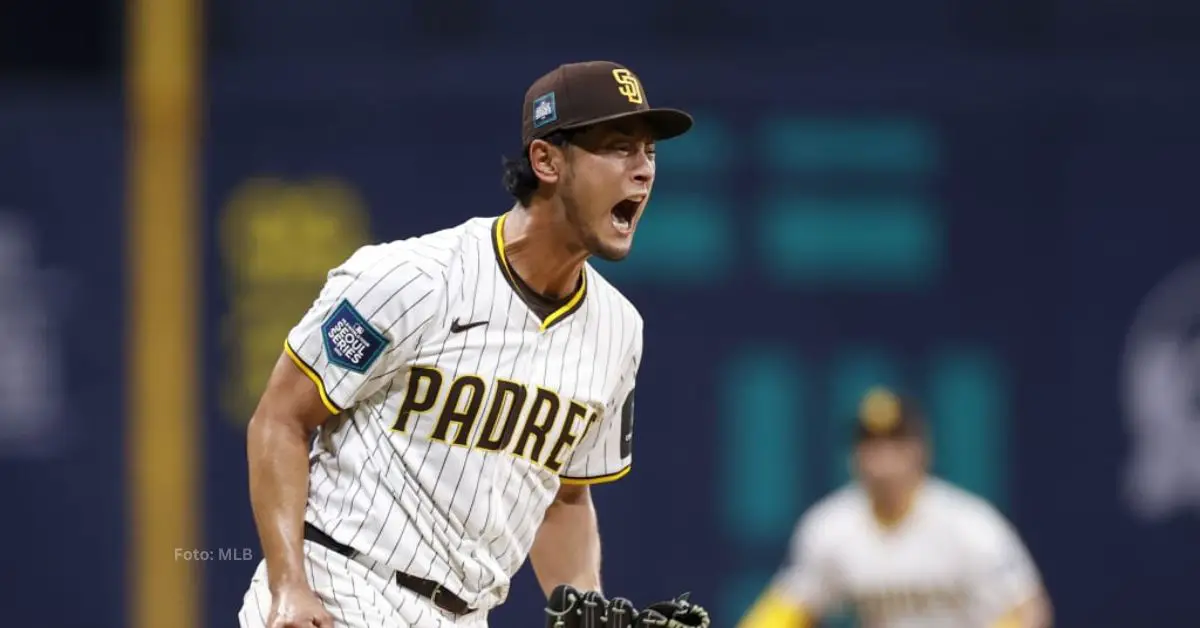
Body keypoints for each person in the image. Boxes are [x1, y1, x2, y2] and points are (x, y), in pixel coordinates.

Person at [237, 60, 699, 628]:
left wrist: (585, 610)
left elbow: (563, 497)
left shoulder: (619, 329)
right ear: (547, 160)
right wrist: (288, 587)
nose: (643, 171)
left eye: (649, 152)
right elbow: (279, 419)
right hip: (341, 588)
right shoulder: (412, 278)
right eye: (619, 147)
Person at [738, 388, 1053, 628]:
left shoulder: (967, 523)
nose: (883, 460)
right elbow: (788, 608)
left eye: (895, 443)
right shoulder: (831, 527)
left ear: (922, 449)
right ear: (853, 455)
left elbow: (1027, 608)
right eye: (870, 444)